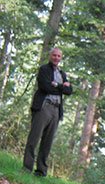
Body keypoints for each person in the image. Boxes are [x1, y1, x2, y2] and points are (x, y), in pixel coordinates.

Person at [23, 47, 72, 177]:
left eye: (59, 56)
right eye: (54, 55)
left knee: (47, 142)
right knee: (34, 138)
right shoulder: (44, 69)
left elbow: (69, 91)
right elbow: (44, 86)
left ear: (61, 58)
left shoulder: (62, 73)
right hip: (44, 107)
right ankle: (27, 167)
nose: (56, 58)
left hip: (56, 110)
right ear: (50, 56)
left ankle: (41, 171)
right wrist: (61, 87)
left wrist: (56, 85)